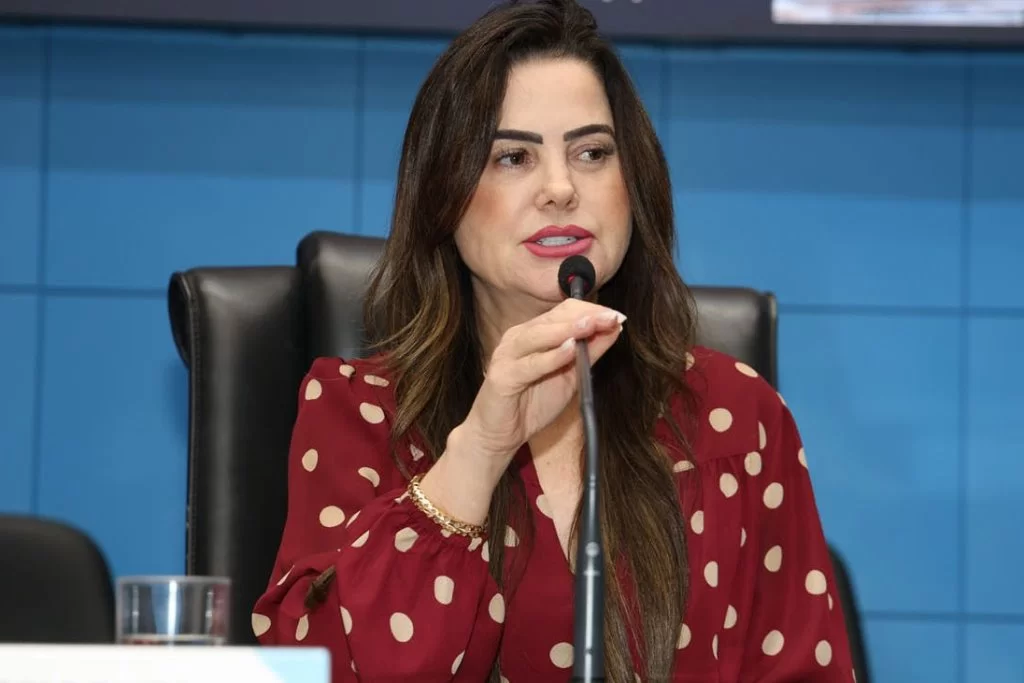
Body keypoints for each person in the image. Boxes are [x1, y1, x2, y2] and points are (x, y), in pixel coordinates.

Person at [252, 1, 854, 681]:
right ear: (442, 197)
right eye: (513, 157)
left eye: (592, 153)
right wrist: (478, 451)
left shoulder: (736, 417)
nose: (561, 188)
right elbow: (320, 668)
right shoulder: (358, 414)